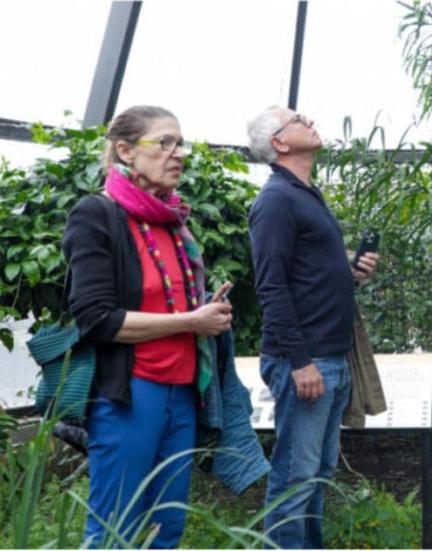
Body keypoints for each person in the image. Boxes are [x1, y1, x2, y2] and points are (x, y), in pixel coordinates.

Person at [62, 105, 233, 547]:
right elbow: (98, 318)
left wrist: (204, 314)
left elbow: (174, 305)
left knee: (166, 528)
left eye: (181, 143)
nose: (178, 154)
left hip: (182, 393)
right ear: (125, 151)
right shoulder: (96, 215)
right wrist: (191, 320)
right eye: (165, 143)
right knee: (115, 528)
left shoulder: (174, 222)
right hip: (130, 394)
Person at [246, 106, 380, 548]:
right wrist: (300, 362)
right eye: (297, 119)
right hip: (306, 362)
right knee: (294, 476)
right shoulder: (276, 201)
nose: (309, 120)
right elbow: (272, 286)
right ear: (279, 143)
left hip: (329, 357)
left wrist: (349, 271)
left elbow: (304, 275)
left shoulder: (306, 193)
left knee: (317, 474)